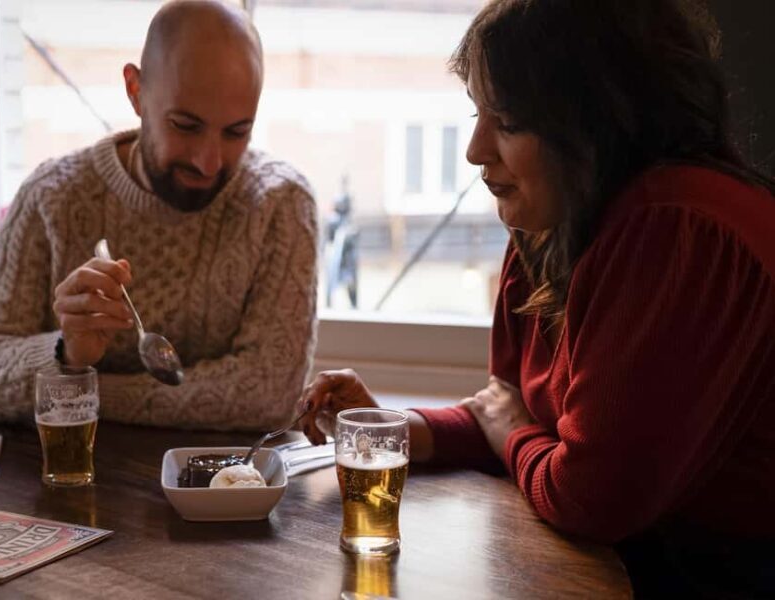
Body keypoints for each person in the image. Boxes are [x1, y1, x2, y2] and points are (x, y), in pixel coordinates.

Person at [299, 0, 775, 595]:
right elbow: (520, 418)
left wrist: (506, 430)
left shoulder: (676, 229)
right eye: (477, 113)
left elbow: (584, 495)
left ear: (597, 118)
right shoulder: (553, 221)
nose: (475, 149)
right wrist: (391, 428)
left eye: (506, 122)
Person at [0, 0, 318, 432]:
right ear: (136, 92)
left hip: (230, 492)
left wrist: (86, 389)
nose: (209, 162)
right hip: (66, 483)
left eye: (237, 132)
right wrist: (66, 352)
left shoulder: (280, 205)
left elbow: (269, 395)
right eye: (186, 125)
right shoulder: (54, 196)